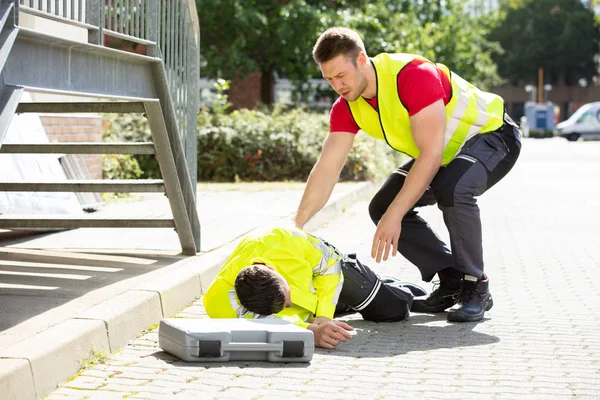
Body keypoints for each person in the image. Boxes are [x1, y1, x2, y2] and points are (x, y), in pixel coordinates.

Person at [294, 27, 522, 323]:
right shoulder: (347, 106)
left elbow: (430, 155)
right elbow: (327, 167)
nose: (337, 85)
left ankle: (475, 286)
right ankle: (451, 280)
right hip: (447, 154)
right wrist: (296, 226)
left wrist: (396, 214)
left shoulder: (413, 75)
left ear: (361, 59)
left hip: (494, 136)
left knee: (453, 189)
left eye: (342, 76)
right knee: (381, 206)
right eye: (329, 79)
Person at [203, 227, 425, 349]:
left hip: (333, 270)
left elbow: (329, 267)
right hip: (311, 304)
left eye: (286, 298)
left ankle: (391, 285)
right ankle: (353, 300)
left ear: (270, 267)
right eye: (283, 306)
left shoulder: (284, 240)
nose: (288, 305)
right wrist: (309, 330)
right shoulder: (219, 301)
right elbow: (260, 325)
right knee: (346, 308)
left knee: (393, 310)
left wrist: (324, 318)